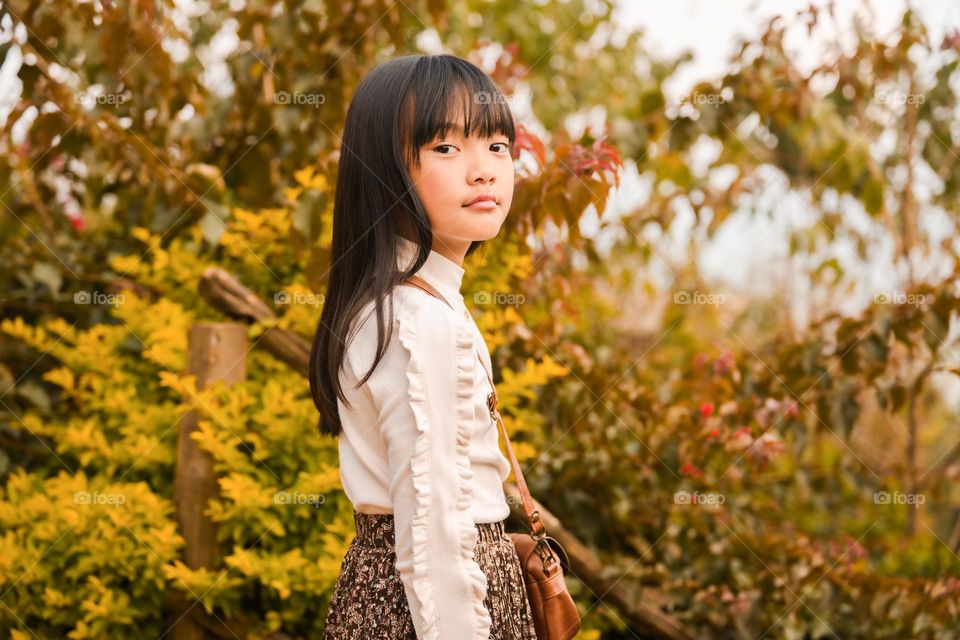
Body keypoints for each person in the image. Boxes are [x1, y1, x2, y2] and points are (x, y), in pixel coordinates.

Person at [309, 53, 538, 639]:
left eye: (497, 146)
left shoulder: (399, 303)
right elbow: (436, 530)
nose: (483, 171)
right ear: (384, 171)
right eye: (446, 147)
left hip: (385, 596)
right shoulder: (418, 321)